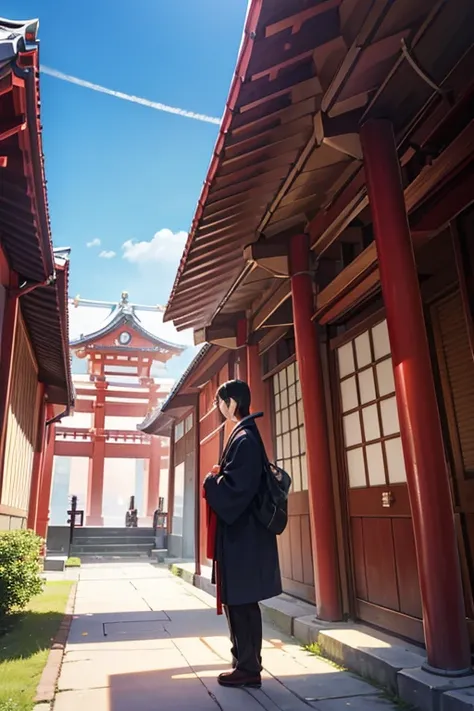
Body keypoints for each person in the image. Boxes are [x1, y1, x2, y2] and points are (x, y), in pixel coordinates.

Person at [203, 379, 282, 689]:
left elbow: (237, 490)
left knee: (243, 600)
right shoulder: (245, 436)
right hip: (243, 534)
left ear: (232, 403)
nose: (219, 408)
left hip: (244, 536)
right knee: (240, 600)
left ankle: (248, 667)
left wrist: (212, 482)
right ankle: (244, 661)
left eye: (220, 402)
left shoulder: (244, 439)